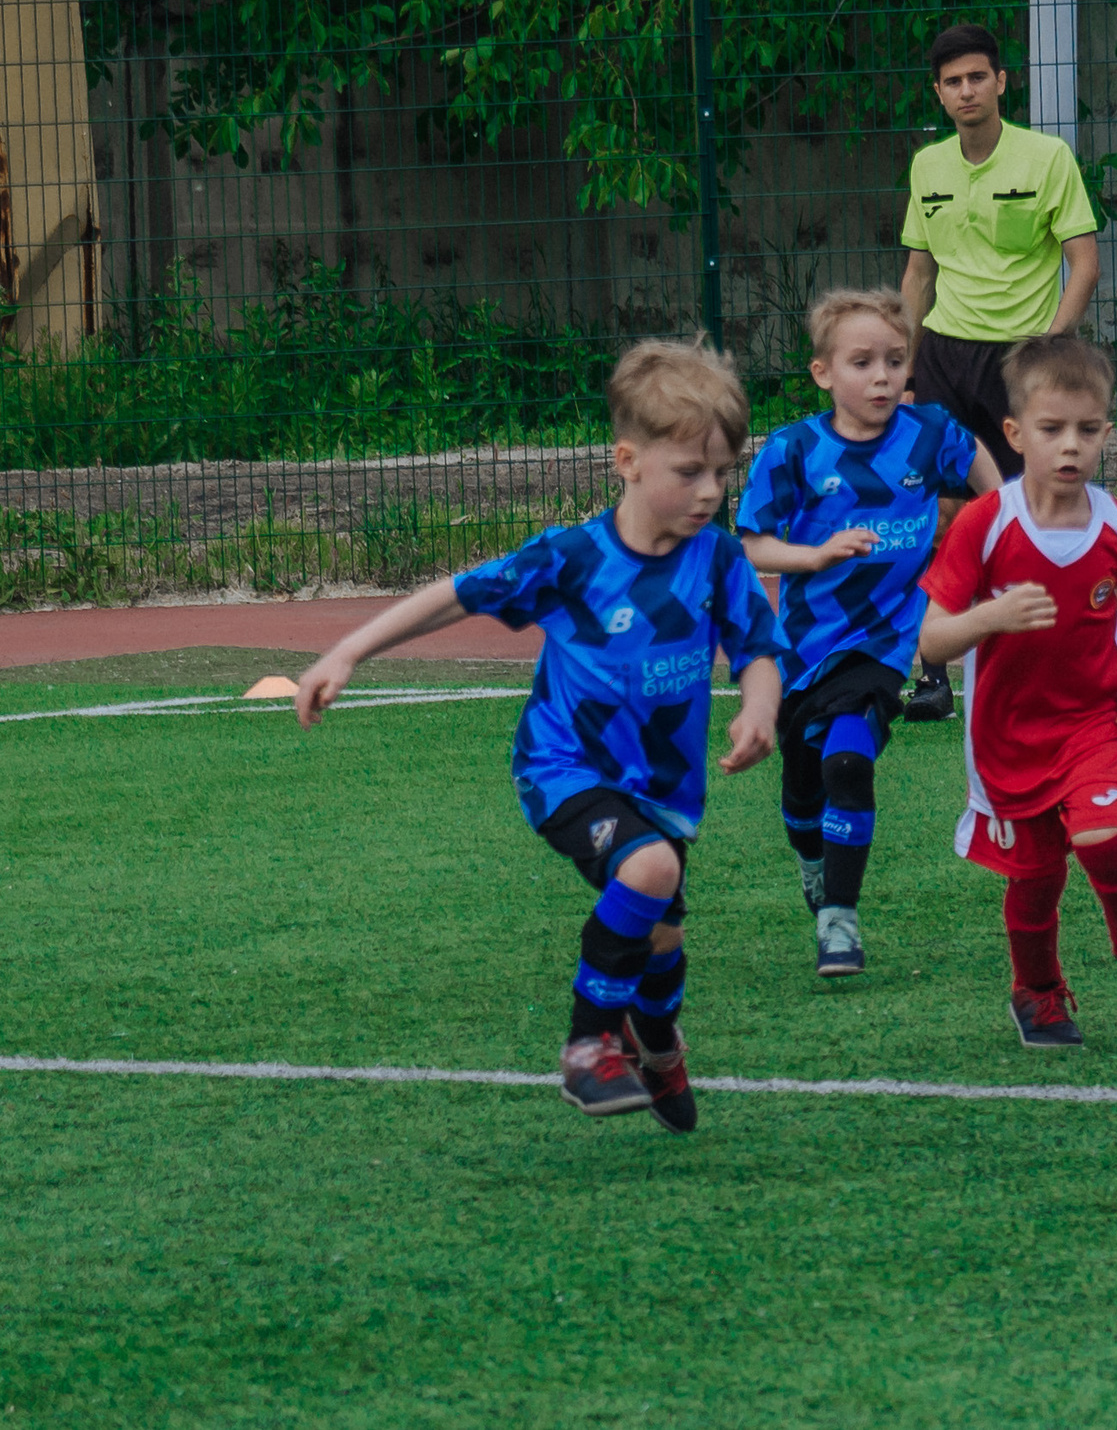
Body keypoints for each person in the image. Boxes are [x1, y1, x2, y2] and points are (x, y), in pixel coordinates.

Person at [292, 339, 784, 1131]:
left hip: (663, 788)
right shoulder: (573, 558)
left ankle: (656, 1040)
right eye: (689, 472)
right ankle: (589, 1049)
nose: (710, 493)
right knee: (650, 869)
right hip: (564, 770)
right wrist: (348, 651)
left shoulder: (719, 561)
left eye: (723, 473)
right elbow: (455, 595)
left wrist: (760, 706)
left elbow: (759, 648)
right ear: (626, 459)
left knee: (662, 940)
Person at [916, 334, 1117, 1049]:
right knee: (1033, 878)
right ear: (1014, 434)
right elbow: (930, 639)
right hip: (1007, 737)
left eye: (1087, 430)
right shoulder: (985, 523)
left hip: (1091, 720)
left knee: (1102, 835)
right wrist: (991, 617)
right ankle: (1036, 992)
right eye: (1052, 429)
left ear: (1106, 431)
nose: (1071, 446)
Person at [736, 290, 1002, 979]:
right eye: (862, 363)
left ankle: (840, 924)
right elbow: (751, 545)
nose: (883, 376)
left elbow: (977, 464)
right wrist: (813, 556)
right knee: (801, 796)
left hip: (884, 645)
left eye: (894, 360)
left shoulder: (926, 432)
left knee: (848, 763)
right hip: (802, 651)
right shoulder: (794, 449)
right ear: (823, 373)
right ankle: (813, 865)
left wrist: (1002, 524)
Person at [897, 22, 1101, 724]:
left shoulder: (1047, 157)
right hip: (944, 356)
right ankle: (933, 674)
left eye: (977, 77)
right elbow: (918, 273)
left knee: (1037, 506)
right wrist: (903, 361)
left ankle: (1061, 664)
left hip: (1020, 358)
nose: (965, 91)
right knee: (945, 513)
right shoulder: (927, 167)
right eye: (952, 82)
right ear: (939, 93)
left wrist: (1048, 348)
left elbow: (1084, 262)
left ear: (1001, 81)